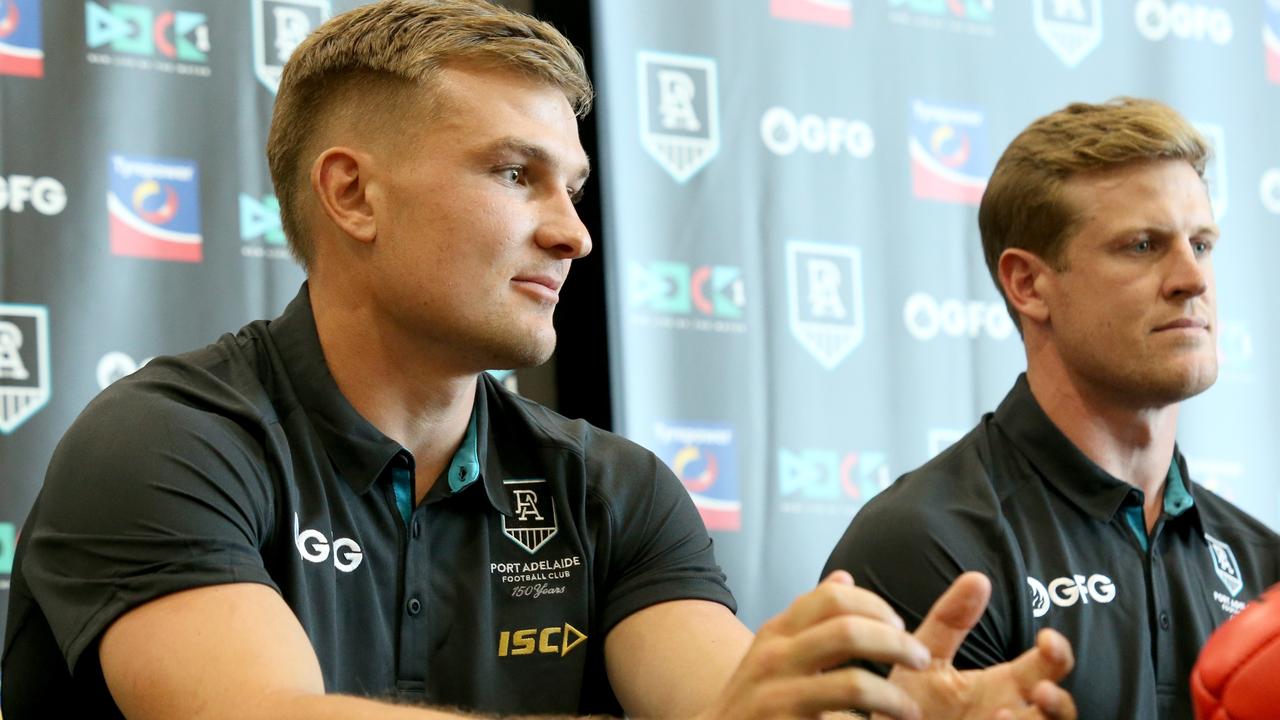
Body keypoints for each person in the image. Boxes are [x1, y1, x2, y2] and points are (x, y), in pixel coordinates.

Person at [2, 2, 1076, 718]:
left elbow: (724, 703)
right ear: (351, 193)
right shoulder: (164, 441)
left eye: (572, 186)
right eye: (516, 175)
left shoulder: (611, 488)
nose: (573, 233)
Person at [824, 97, 1280, 719]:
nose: (1191, 279)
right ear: (1028, 285)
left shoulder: (1264, 562)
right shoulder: (928, 546)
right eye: (1143, 245)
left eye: (1200, 244)